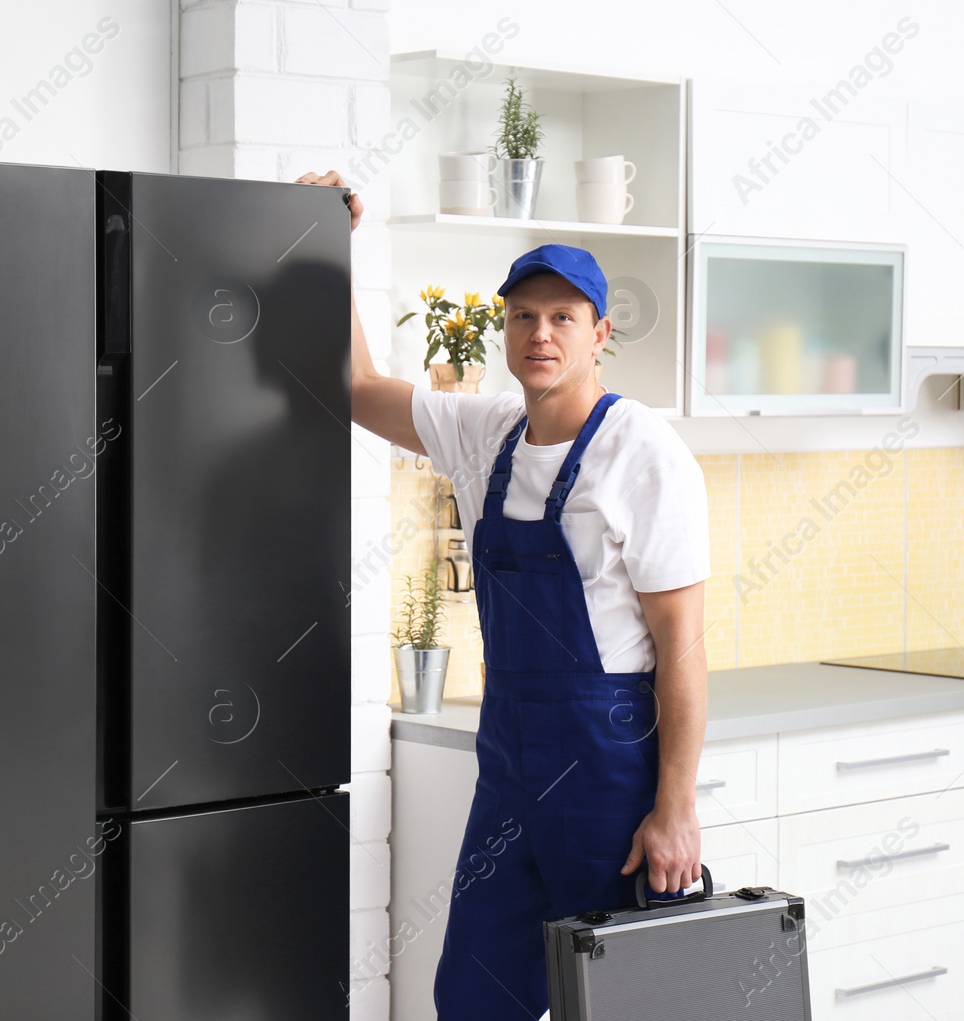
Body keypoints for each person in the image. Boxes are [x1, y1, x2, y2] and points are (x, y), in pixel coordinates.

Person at [298, 169, 711, 1020]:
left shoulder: (644, 453)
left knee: (620, 1001)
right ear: (504, 329)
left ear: (601, 332)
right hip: (511, 767)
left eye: (563, 317)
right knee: (475, 994)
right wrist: (328, 239)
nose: (541, 334)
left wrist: (675, 809)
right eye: (524, 316)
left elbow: (685, 645)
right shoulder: (485, 430)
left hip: (610, 773)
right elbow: (356, 388)